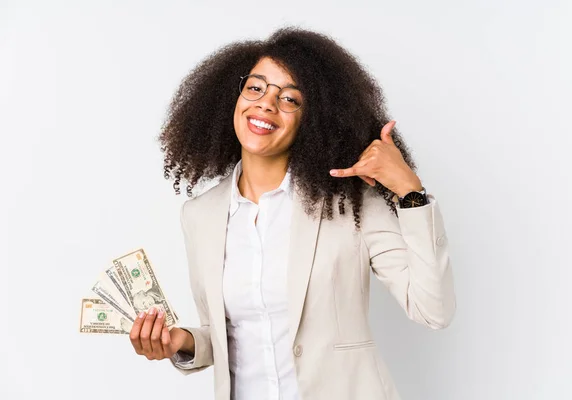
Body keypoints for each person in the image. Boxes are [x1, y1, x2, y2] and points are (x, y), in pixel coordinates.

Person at [128, 27, 456, 400]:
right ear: (232, 97)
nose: (266, 104)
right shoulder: (200, 215)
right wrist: (182, 342)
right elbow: (227, 334)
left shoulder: (351, 205)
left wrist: (409, 192)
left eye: (290, 99)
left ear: (312, 120)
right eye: (256, 88)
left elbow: (434, 310)